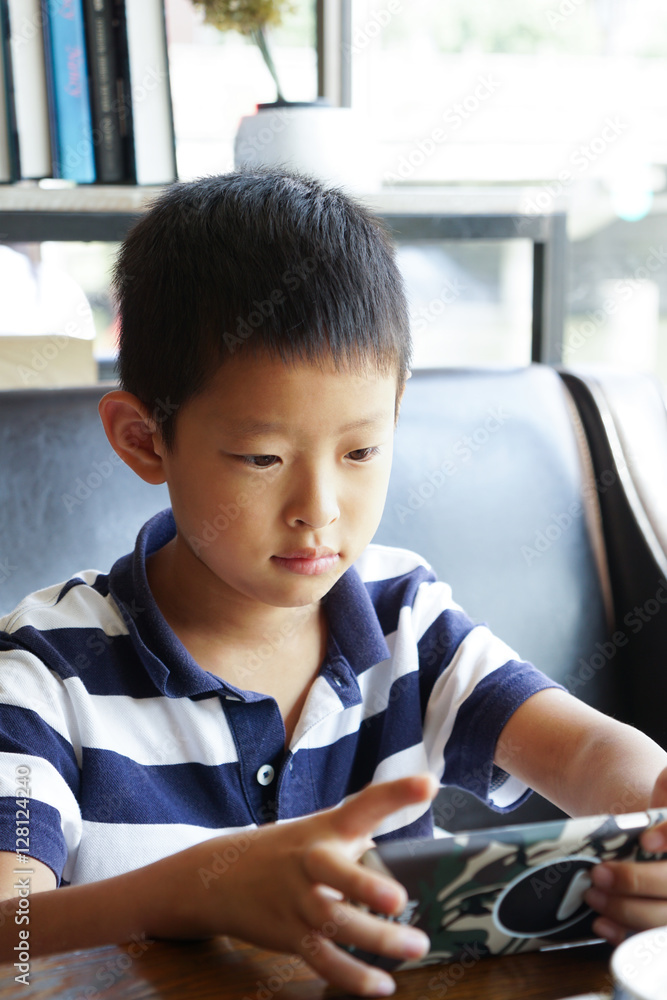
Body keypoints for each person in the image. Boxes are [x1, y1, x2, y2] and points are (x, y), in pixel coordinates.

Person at [1, 170, 666, 998]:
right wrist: (193, 890)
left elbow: (593, 753)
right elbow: (12, 932)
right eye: (262, 459)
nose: (318, 511)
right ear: (143, 440)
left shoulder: (404, 620)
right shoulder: (44, 675)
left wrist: (653, 823)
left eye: (360, 453)